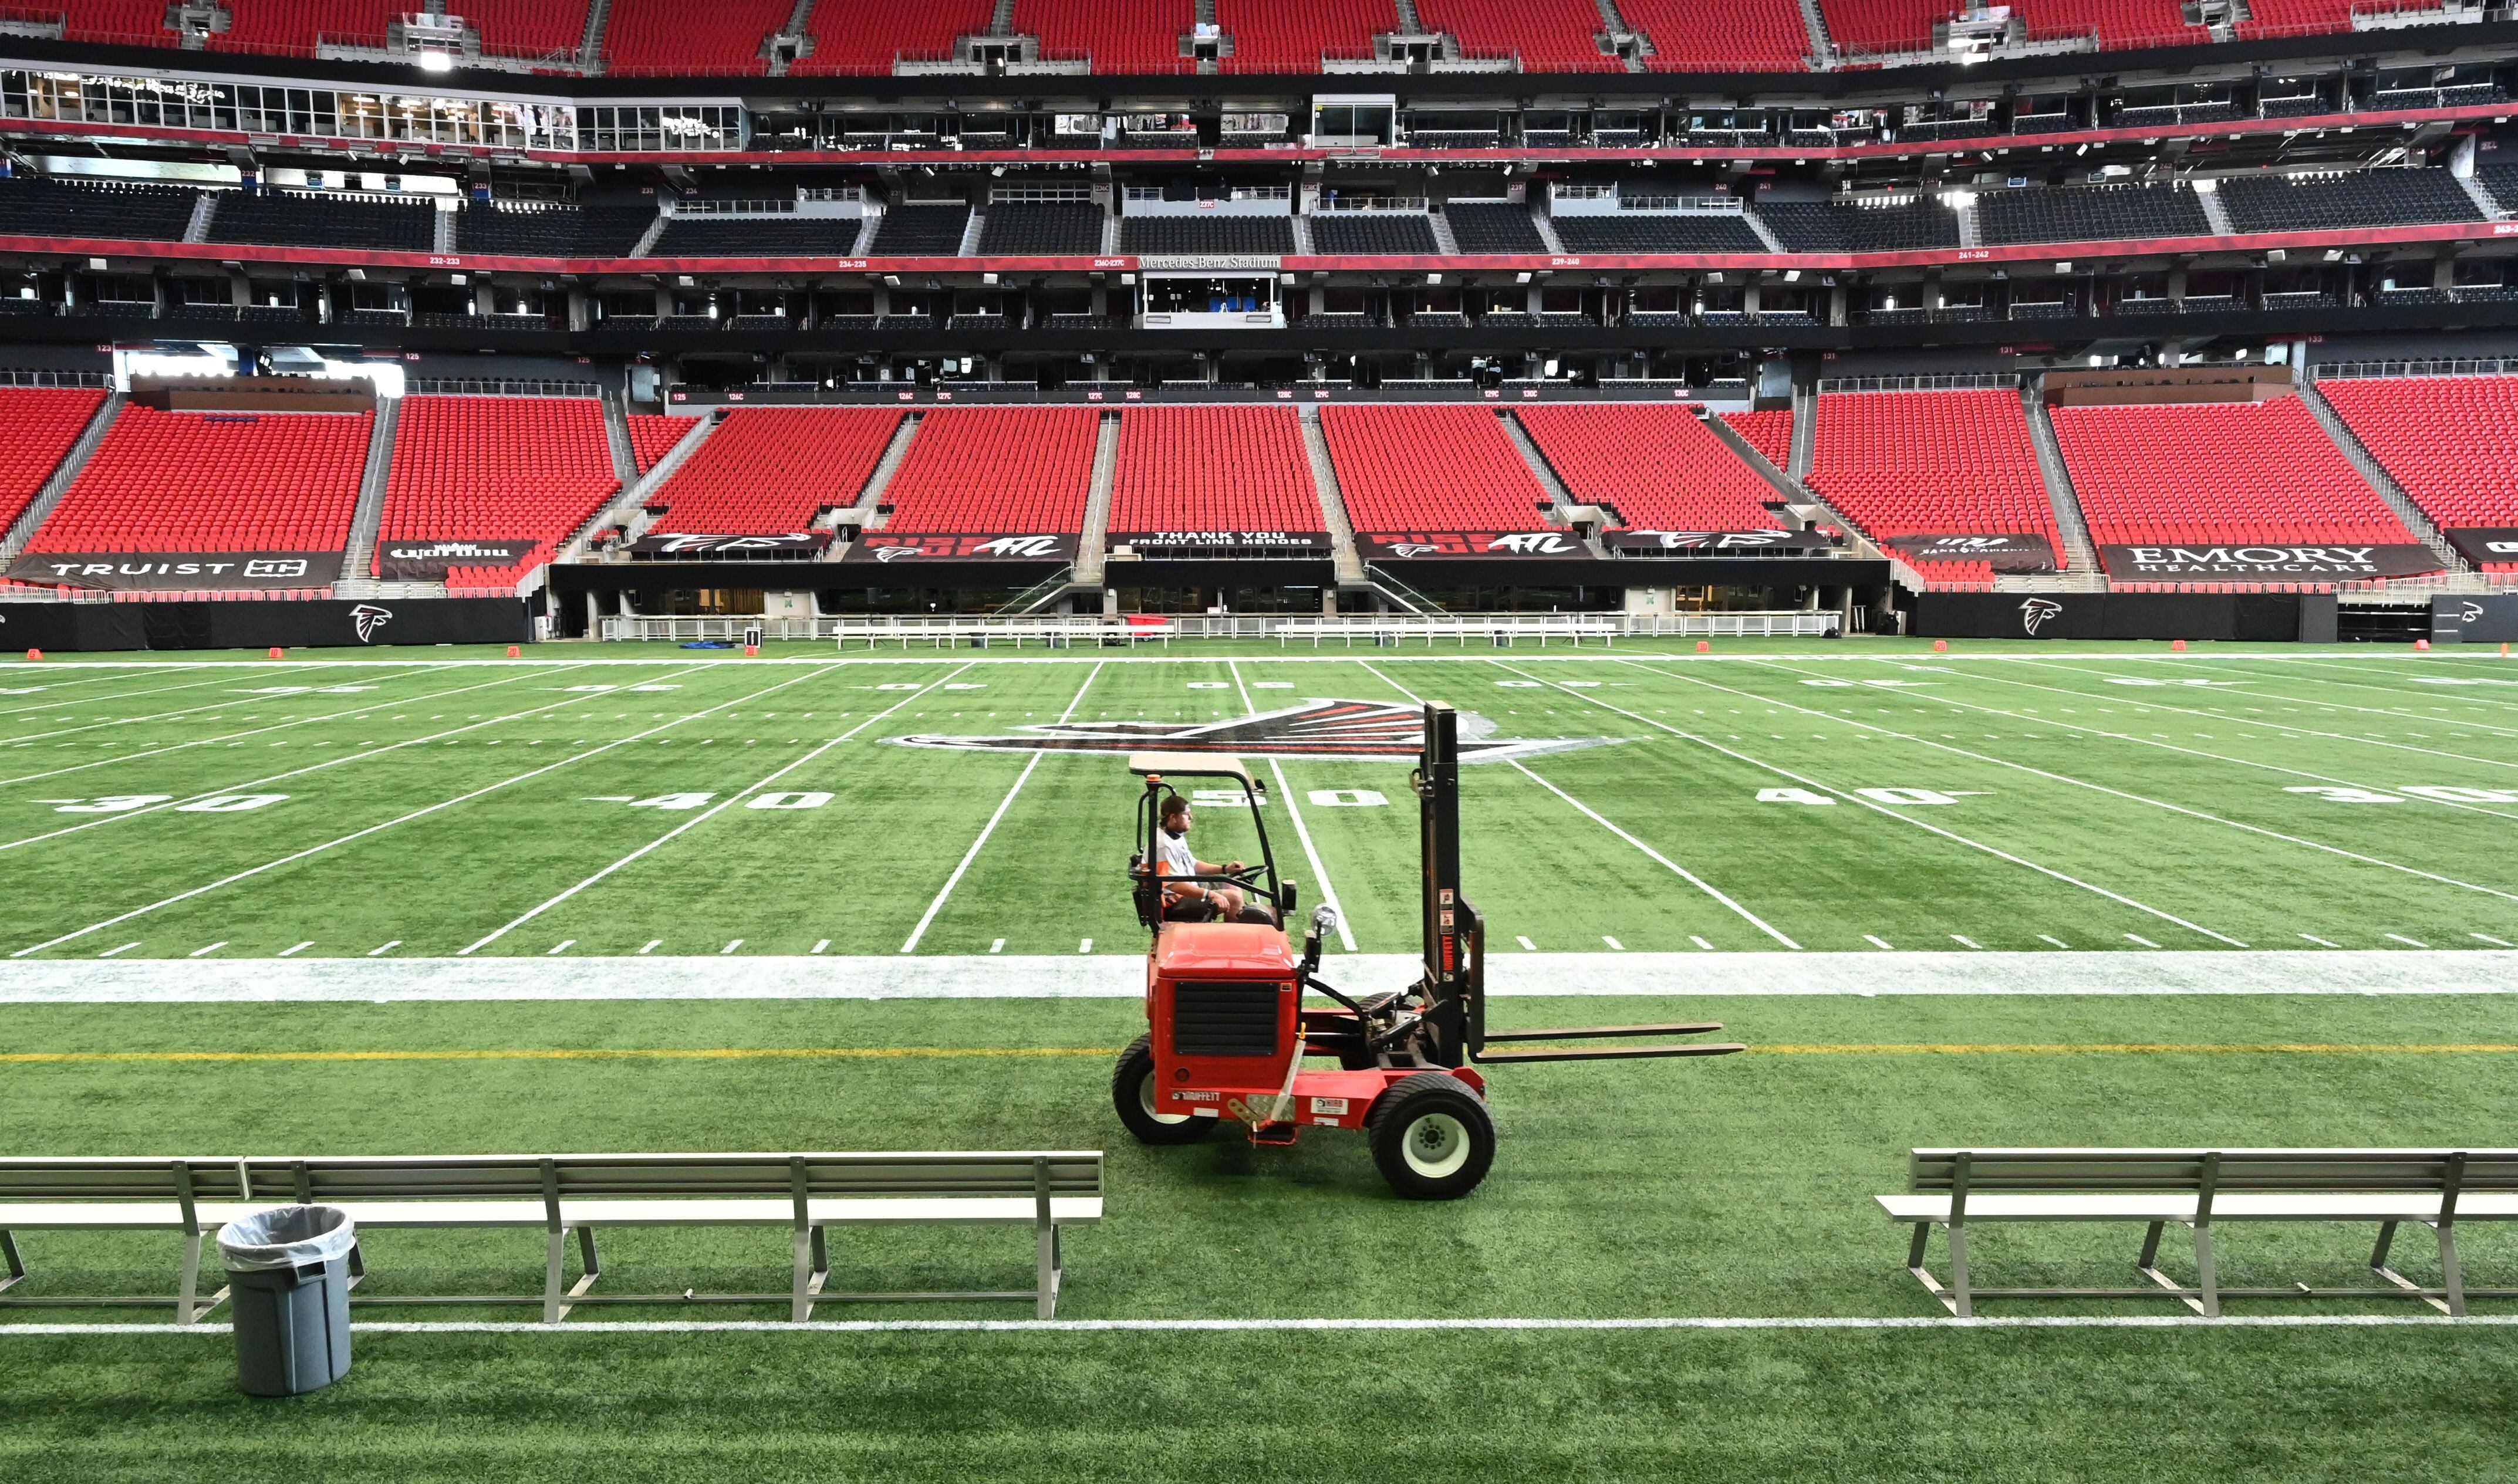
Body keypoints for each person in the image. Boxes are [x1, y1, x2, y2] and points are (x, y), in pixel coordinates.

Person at [1152, 792, 1247, 921]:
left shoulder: (1175, 836)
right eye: (1186, 814)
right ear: (1173, 818)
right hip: (1176, 900)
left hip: (1188, 887)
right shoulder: (1163, 846)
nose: (1191, 817)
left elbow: (1192, 865)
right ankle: (1234, 938)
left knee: (1233, 885)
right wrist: (1210, 894)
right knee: (1234, 898)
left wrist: (1225, 869)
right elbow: (1174, 885)